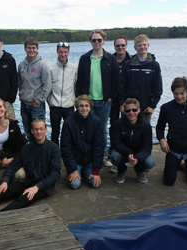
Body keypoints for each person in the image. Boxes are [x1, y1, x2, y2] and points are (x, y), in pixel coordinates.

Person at [75, 29, 120, 168]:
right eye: (94, 40)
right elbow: (80, 80)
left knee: (102, 130)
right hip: (87, 103)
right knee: (86, 130)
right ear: (90, 42)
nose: (96, 42)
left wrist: (111, 97)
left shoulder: (110, 59)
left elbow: (115, 80)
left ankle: (101, 157)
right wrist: (80, 99)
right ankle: (87, 156)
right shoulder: (84, 58)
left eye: (99, 40)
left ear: (104, 41)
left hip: (104, 102)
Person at [61, 95, 104, 189]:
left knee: (95, 184)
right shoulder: (69, 122)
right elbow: (65, 147)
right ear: (77, 107)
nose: (84, 108)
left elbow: (99, 146)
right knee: (75, 185)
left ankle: (86, 172)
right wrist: (72, 169)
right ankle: (78, 172)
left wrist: (96, 171)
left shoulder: (96, 122)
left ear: (90, 107)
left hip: (89, 160)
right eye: (81, 106)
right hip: (75, 161)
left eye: (86, 106)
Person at [119, 34, 163, 124]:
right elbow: (121, 86)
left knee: (144, 133)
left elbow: (157, 88)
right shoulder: (128, 65)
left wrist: (153, 106)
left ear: (148, 45)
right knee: (126, 132)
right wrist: (122, 104)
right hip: (129, 107)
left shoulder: (154, 65)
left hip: (146, 108)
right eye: (139, 45)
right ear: (135, 47)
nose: (142, 47)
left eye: (144, 44)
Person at [110, 98, 155, 184]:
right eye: (128, 110)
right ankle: (121, 170)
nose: (131, 113)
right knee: (114, 156)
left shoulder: (146, 126)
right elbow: (116, 143)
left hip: (139, 152)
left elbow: (147, 147)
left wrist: (138, 157)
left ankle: (139, 170)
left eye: (134, 110)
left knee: (150, 162)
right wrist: (128, 153)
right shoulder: (118, 124)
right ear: (124, 111)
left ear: (139, 110)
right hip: (123, 151)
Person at [18, 37, 52, 142]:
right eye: (29, 48)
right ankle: (32, 156)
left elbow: (48, 85)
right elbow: (19, 83)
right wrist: (21, 96)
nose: (31, 50)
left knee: (39, 133)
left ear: (37, 49)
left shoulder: (42, 65)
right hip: (24, 104)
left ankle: (42, 156)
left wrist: (38, 101)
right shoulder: (21, 65)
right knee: (29, 132)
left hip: (37, 106)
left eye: (33, 48)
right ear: (25, 48)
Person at [109, 36, 133, 174]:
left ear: (126, 46)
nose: (120, 48)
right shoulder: (110, 60)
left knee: (128, 128)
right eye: (118, 46)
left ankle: (131, 155)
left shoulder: (132, 61)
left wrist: (125, 103)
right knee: (114, 127)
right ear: (114, 47)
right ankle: (114, 158)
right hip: (112, 100)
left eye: (123, 45)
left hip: (127, 100)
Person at [47, 42, 77, 145]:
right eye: (60, 52)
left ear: (68, 52)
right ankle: (55, 155)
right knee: (55, 132)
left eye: (65, 52)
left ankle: (68, 154)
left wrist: (75, 100)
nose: (63, 54)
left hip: (69, 106)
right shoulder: (51, 69)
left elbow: (76, 86)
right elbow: (48, 87)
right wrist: (50, 101)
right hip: (55, 106)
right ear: (57, 52)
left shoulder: (74, 69)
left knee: (70, 132)